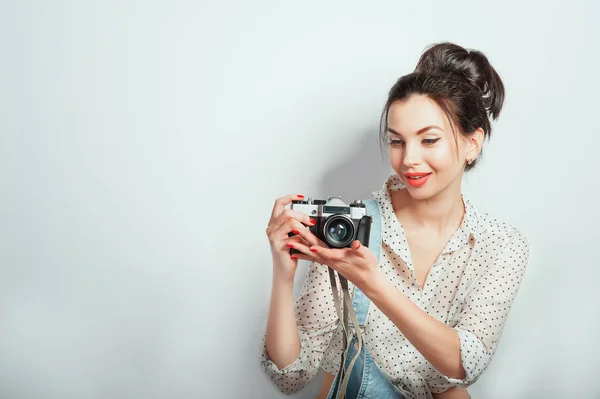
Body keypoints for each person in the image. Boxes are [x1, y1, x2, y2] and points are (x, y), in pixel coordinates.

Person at [259, 42, 530, 399]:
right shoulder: (351, 228)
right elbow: (291, 377)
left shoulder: (501, 246)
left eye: (429, 140)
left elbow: (466, 364)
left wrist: (371, 284)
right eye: (397, 141)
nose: (409, 160)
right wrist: (282, 273)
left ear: (471, 144)